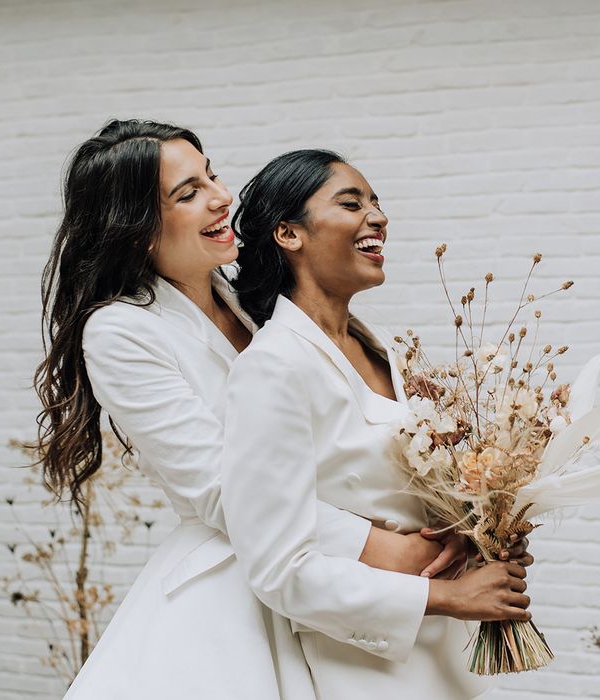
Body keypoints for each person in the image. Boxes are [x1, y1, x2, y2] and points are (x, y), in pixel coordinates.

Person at [33, 120, 475, 699]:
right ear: (139, 230)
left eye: (211, 175)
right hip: (240, 587)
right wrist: (382, 547)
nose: (221, 197)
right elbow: (221, 489)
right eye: (187, 193)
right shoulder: (121, 332)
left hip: (332, 581)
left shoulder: (254, 304)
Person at [222, 149, 533, 699]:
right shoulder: (273, 368)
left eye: (377, 203)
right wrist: (446, 599)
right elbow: (280, 569)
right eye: (351, 203)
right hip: (360, 660)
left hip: (441, 651)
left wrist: (481, 534)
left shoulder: (386, 351)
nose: (378, 217)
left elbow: (411, 496)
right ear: (288, 233)